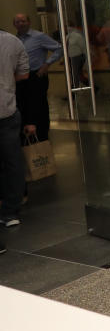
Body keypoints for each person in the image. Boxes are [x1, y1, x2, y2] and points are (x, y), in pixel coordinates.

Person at [13, 14, 62, 142]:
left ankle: (43, 133)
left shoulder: (39, 36)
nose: (20, 24)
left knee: (39, 105)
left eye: (23, 21)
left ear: (29, 22)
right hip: (22, 77)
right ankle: (28, 133)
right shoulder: (15, 39)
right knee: (24, 104)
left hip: (37, 75)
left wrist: (46, 64)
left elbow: (59, 49)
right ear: (14, 25)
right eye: (17, 22)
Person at [0, 29, 30, 228]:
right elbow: (24, 74)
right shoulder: (13, 41)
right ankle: (11, 212)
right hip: (6, 110)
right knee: (13, 162)